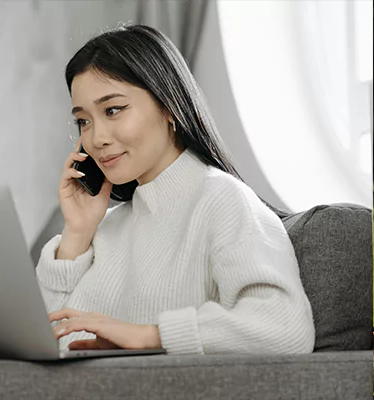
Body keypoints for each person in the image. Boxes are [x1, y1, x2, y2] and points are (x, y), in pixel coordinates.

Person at [35, 24, 315, 355]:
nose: (96, 138)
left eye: (113, 110)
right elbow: (43, 349)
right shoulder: (103, 229)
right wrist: (77, 235)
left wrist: (151, 336)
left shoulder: (221, 200)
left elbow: (285, 328)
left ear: (168, 106)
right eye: (84, 121)